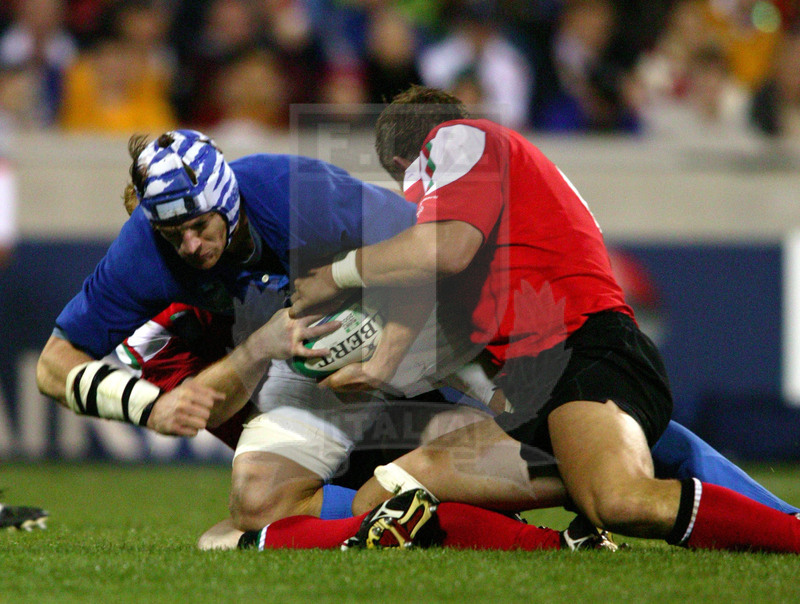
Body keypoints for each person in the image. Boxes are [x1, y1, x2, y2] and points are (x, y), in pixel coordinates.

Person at [291, 85, 800, 553]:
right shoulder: (500, 191)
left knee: (620, 500)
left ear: (407, 162)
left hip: (587, 352)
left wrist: (336, 274)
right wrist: (380, 365)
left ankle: (788, 533)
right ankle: (573, 541)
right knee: (390, 492)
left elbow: (443, 249)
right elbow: (459, 333)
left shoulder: (458, 139)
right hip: (544, 387)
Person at [35, 128, 422, 536]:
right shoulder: (144, 256)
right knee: (260, 500)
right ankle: (399, 514)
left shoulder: (293, 190)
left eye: (199, 224)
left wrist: (386, 355)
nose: (189, 246)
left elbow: (429, 245)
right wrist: (149, 407)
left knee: (456, 454)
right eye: (171, 232)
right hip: (305, 360)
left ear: (226, 199)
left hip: (407, 315)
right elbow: (52, 365)